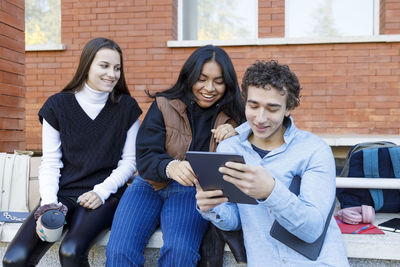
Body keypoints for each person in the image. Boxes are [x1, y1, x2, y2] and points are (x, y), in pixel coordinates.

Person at [2, 37, 142, 267]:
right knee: (13, 260)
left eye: (117, 68)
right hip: (61, 194)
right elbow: (50, 162)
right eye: (104, 66)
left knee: (70, 251)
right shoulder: (57, 106)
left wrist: (101, 192)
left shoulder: (126, 108)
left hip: (104, 196)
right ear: (87, 65)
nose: (112, 74)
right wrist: (48, 205)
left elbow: (129, 163)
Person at [195, 60, 349, 266]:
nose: (260, 118)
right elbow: (238, 219)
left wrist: (270, 191)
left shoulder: (314, 150)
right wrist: (212, 208)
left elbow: (312, 229)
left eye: (272, 108)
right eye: (253, 105)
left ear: (289, 108)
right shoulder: (229, 149)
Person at [106, 45, 245, 266]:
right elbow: (144, 154)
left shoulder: (237, 116)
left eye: (218, 81)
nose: (209, 88)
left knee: (180, 254)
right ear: (189, 77)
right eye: (202, 79)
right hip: (148, 185)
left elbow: (266, 136)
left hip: (192, 190)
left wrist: (240, 132)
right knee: (119, 251)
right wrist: (169, 166)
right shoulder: (164, 104)